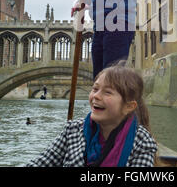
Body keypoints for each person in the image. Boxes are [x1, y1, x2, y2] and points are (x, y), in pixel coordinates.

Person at [26, 65, 157, 167]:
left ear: (128, 106)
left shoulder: (141, 141)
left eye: (107, 92)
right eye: (95, 89)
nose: (96, 96)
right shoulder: (72, 130)